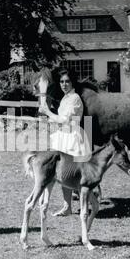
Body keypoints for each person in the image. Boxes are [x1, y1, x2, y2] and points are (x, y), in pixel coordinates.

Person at [38, 68, 92, 216]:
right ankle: (67, 206)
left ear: (72, 82)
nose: (64, 84)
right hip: (63, 136)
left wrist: (47, 112)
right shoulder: (65, 98)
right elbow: (59, 121)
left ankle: (87, 206)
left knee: (79, 175)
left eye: (67, 81)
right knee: (63, 174)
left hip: (73, 137)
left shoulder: (74, 98)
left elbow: (65, 120)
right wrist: (48, 119)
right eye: (62, 81)